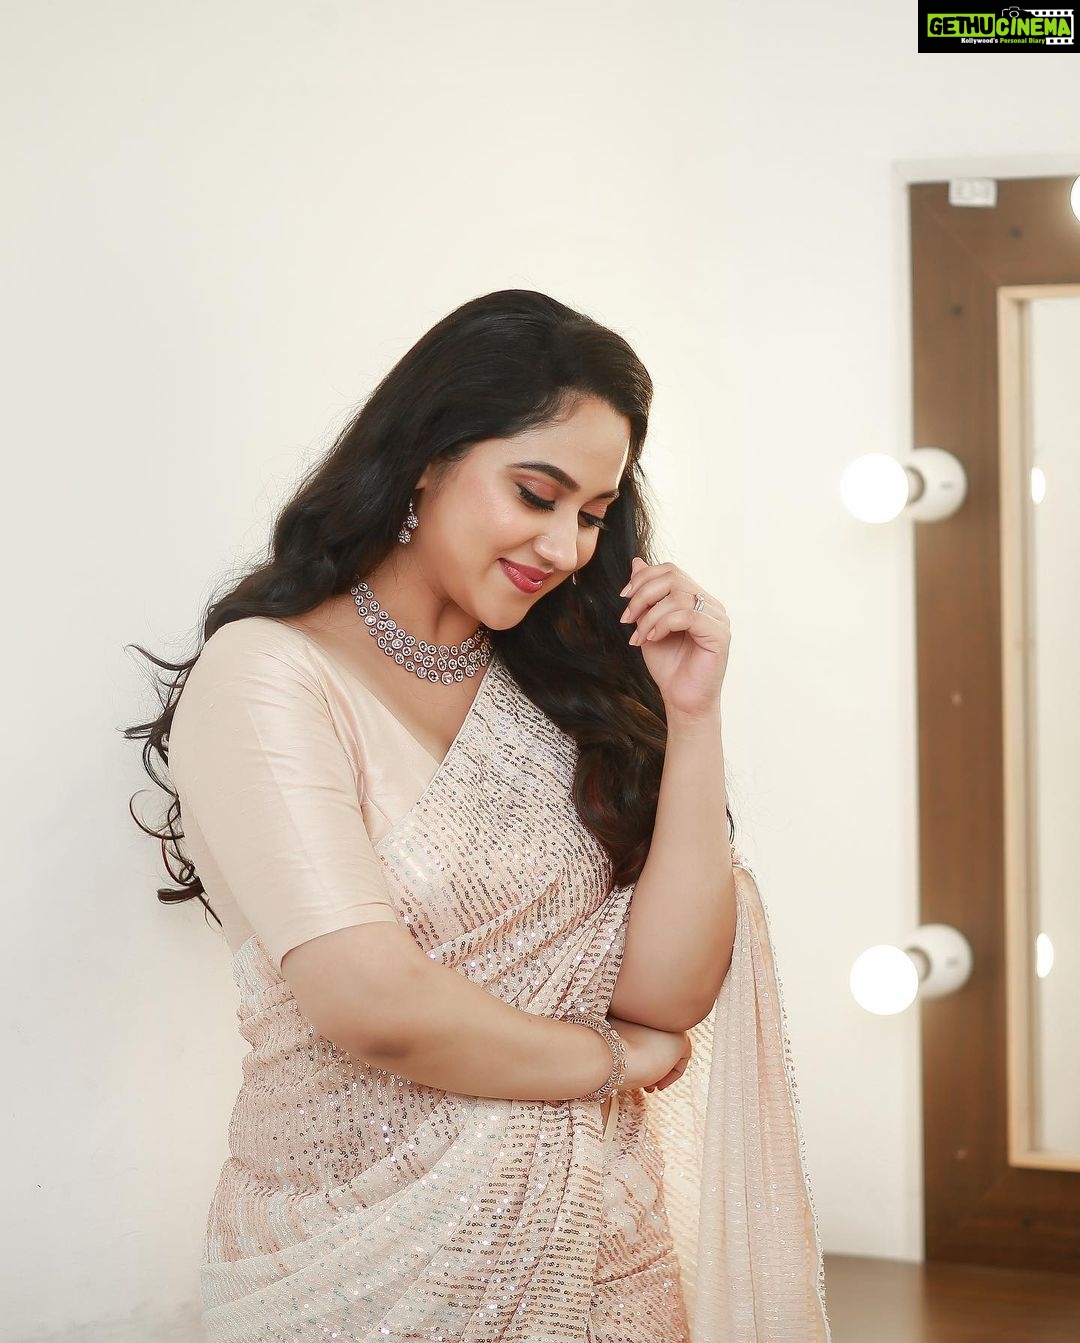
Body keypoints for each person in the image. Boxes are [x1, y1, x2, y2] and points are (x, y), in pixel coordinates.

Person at [125, 289, 830, 1340]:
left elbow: (668, 989)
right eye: (536, 493)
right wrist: (614, 1060)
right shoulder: (270, 674)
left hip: (603, 1253)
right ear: (426, 456)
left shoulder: (558, 689)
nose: (566, 545)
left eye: (592, 514)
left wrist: (692, 715)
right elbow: (372, 1002)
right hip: (358, 1267)